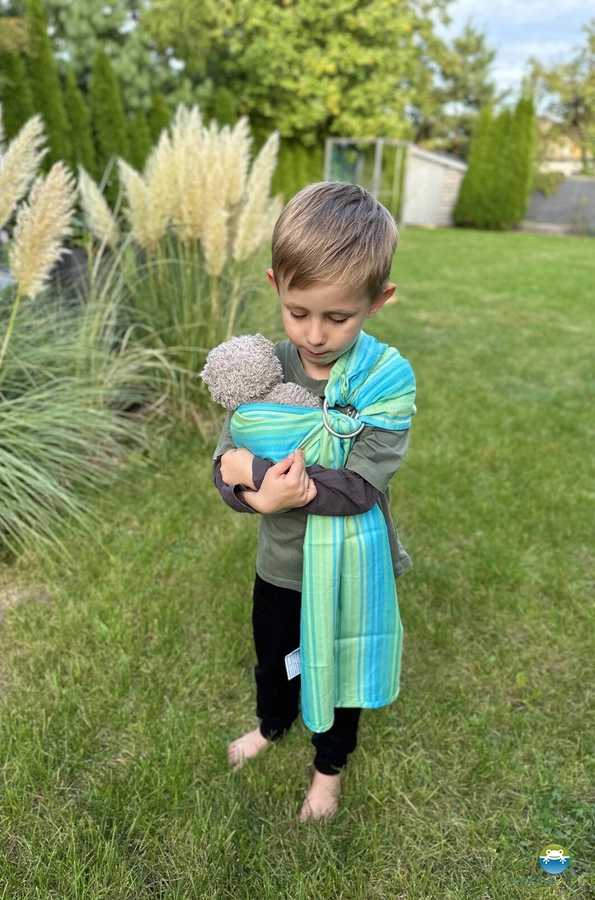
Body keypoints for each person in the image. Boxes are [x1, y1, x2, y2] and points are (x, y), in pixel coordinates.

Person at [212, 181, 415, 823]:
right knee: (276, 659)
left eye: (339, 317)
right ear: (276, 285)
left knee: (340, 663)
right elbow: (224, 464)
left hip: (351, 567)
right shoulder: (262, 370)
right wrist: (250, 494)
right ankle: (272, 724)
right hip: (281, 566)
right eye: (298, 312)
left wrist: (263, 477)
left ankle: (329, 766)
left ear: (377, 301)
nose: (317, 334)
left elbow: (359, 487)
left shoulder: (382, 382)